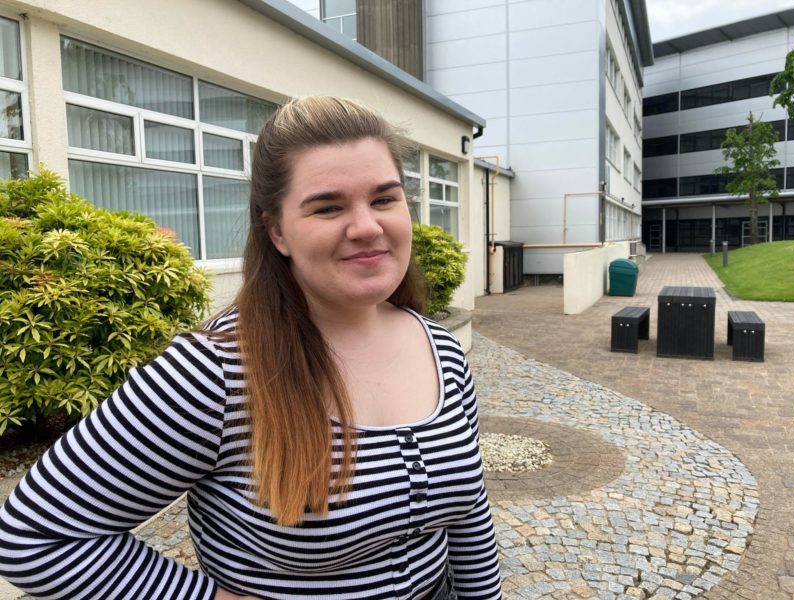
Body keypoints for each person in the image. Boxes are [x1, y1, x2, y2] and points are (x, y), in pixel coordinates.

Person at [0, 96, 502, 599]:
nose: (367, 226)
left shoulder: (440, 348)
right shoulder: (215, 373)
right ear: (277, 231)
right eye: (328, 207)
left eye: (384, 199)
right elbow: (33, 535)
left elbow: (469, 510)